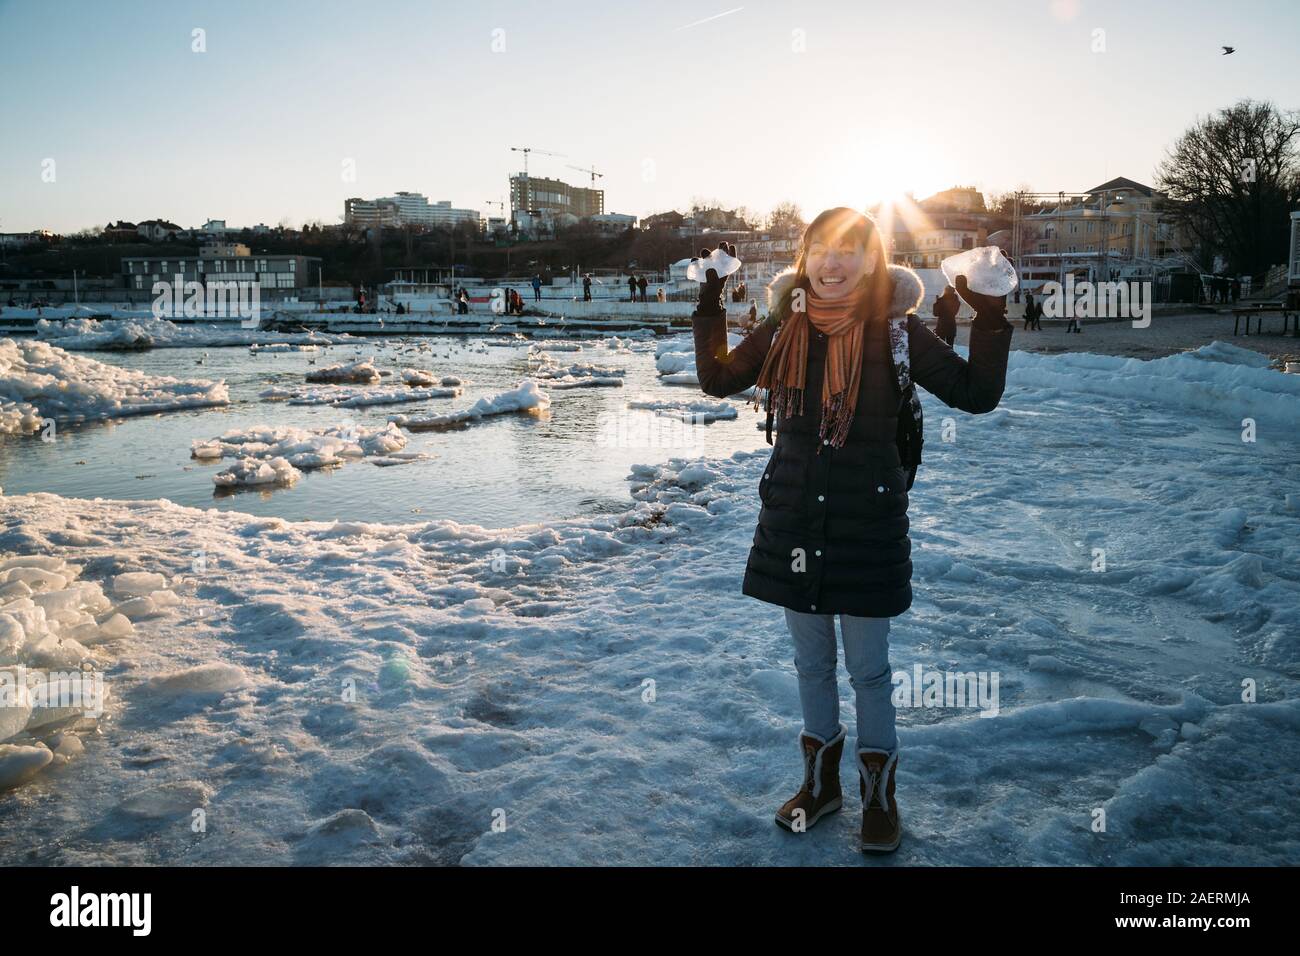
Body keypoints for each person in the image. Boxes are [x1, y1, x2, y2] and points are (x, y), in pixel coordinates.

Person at [690, 210, 1011, 854]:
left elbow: (976, 394)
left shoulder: (897, 333)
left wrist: (990, 316)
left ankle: (879, 799)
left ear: (874, 261)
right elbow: (718, 378)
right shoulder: (787, 325)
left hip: (867, 523)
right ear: (804, 259)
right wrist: (708, 303)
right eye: (819, 252)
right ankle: (821, 787)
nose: (832, 264)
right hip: (793, 522)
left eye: (849, 252)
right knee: (812, 667)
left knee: (869, 673)